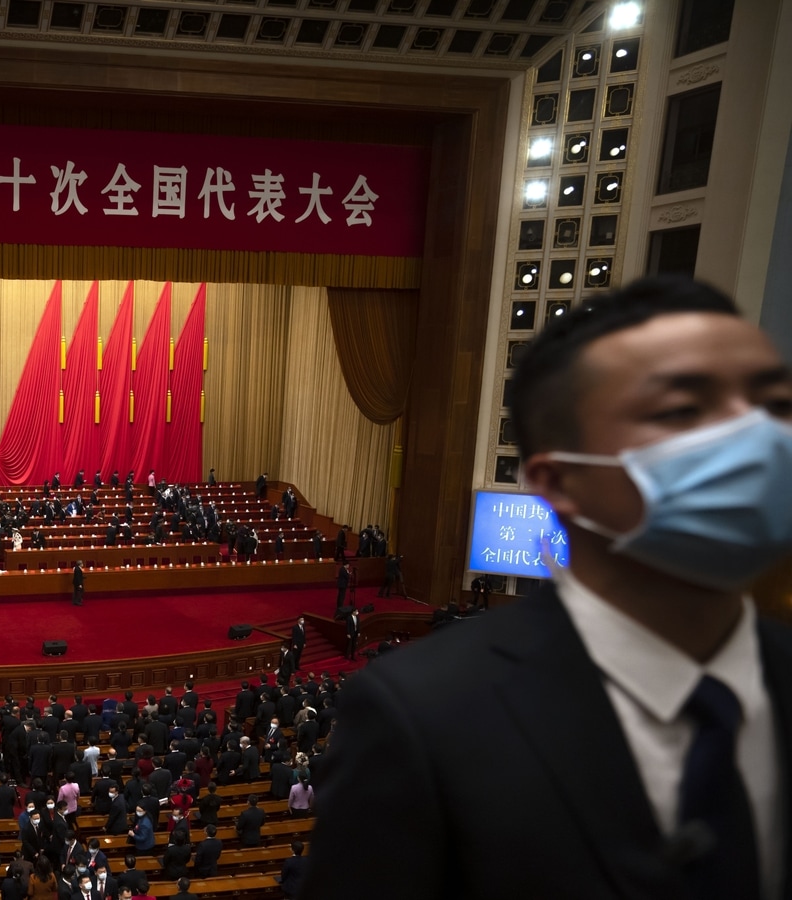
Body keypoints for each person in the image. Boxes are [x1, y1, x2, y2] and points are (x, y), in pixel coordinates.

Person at [304, 279, 792, 899]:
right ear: (558, 481)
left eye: (773, 404)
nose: (751, 439)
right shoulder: (424, 718)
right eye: (682, 411)